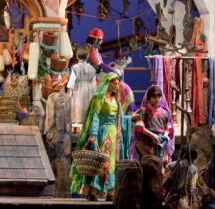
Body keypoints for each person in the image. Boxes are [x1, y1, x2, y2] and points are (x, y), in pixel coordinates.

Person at [70, 72, 124, 200]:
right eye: (114, 83)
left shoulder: (116, 100)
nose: (116, 86)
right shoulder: (100, 97)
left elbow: (119, 117)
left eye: (118, 84)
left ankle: (110, 192)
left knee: (111, 163)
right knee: (98, 161)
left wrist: (121, 129)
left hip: (113, 134)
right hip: (102, 133)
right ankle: (92, 191)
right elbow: (95, 115)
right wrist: (93, 133)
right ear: (108, 83)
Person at [132, 85, 175, 162]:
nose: (157, 99)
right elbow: (139, 128)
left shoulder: (164, 112)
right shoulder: (144, 111)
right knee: (149, 165)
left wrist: (165, 135)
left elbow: (169, 128)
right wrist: (152, 135)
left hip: (161, 144)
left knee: (161, 165)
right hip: (147, 145)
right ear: (149, 98)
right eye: (154, 97)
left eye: (159, 97)